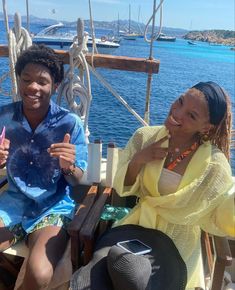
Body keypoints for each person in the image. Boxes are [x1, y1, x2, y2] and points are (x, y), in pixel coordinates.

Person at [70, 81, 234, 290]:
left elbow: (219, 215)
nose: (177, 113)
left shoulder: (214, 165)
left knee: (130, 277)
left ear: (206, 127)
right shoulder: (145, 137)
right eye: (180, 102)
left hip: (177, 240)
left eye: (191, 115)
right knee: (114, 269)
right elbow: (122, 186)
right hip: (136, 227)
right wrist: (139, 159)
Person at [0, 44, 88, 290]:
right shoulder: (3, 117)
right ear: (18, 81)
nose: (33, 87)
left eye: (42, 81)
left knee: (39, 273)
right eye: (26, 79)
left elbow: (81, 181)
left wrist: (68, 167)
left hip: (52, 207)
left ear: (55, 86)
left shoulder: (70, 124)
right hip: (12, 203)